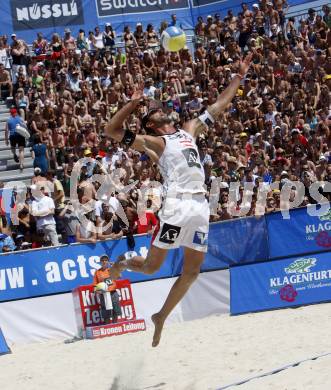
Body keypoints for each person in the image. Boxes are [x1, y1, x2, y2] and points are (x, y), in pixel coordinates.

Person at [105, 54, 252, 346]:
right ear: (152, 124)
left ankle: (161, 317)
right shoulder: (155, 142)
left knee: (193, 272)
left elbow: (219, 106)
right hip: (176, 204)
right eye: (154, 112)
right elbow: (111, 130)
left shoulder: (189, 130)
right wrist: (133, 104)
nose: (160, 110)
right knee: (150, 268)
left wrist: (239, 76)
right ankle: (121, 263)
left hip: (199, 206)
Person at [93, 254, 121, 324]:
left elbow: (119, 276)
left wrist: (115, 267)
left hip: (113, 292)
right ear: (100, 262)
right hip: (104, 293)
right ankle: (108, 326)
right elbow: (95, 284)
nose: (104, 261)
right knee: (106, 311)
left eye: (106, 260)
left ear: (108, 261)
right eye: (102, 260)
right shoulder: (97, 272)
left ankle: (115, 325)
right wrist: (97, 291)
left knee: (115, 309)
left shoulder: (111, 269)